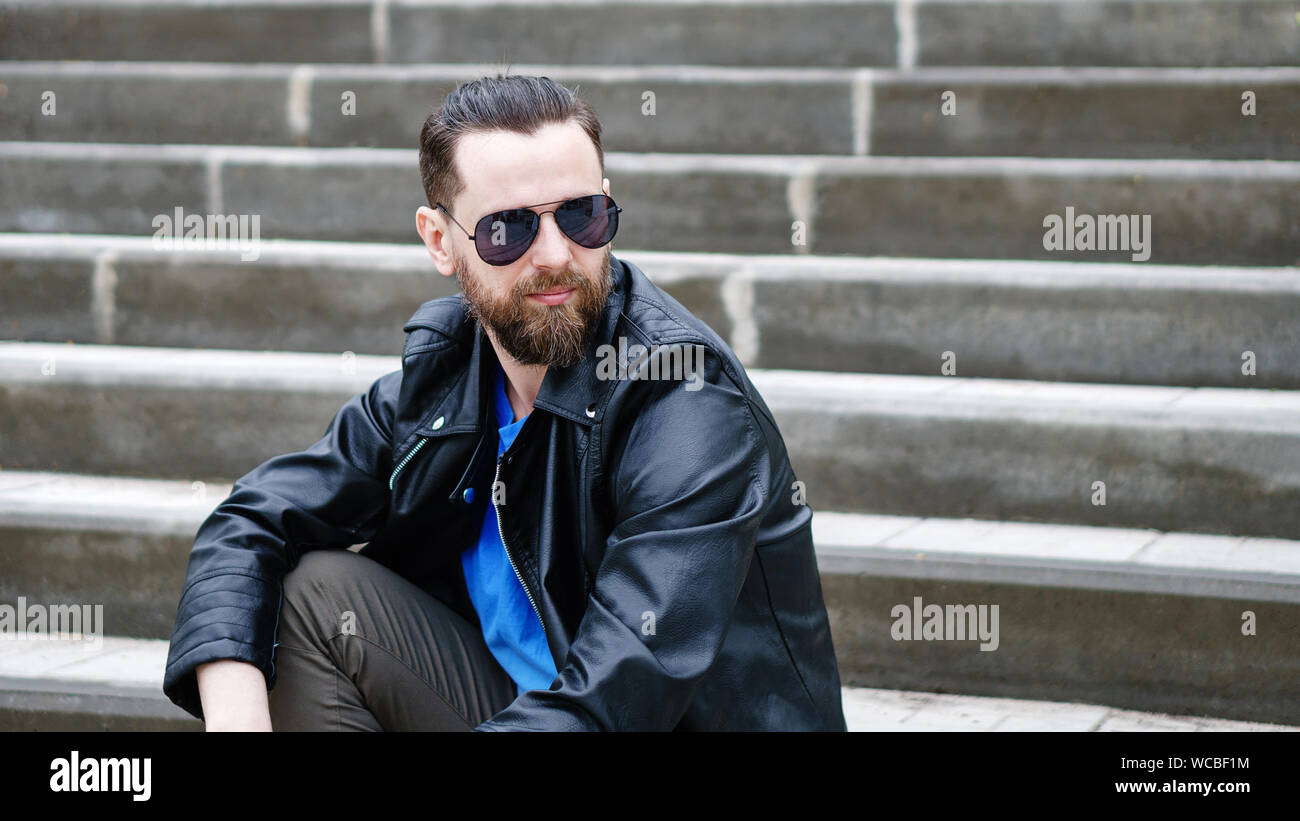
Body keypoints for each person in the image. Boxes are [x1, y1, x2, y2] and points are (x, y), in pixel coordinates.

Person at [163, 73, 847, 731]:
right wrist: (237, 718)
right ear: (441, 240)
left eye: (582, 216)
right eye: (507, 229)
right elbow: (249, 520)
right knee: (311, 592)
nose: (554, 254)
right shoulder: (445, 380)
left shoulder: (684, 399)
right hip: (518, 708)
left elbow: (616, 700)